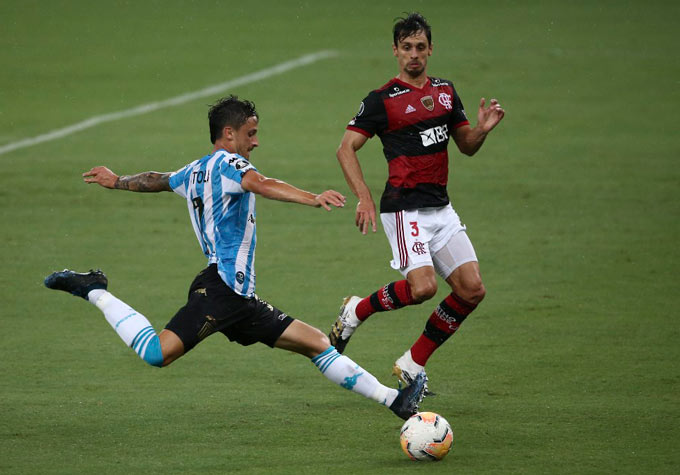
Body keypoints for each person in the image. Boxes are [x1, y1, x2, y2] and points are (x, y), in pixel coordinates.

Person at [44, 95, 426, 420]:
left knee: (315, 343)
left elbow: (156, 179)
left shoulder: (192, 171)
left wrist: (120, 181)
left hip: (240, 300)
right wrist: (312, 197)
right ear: (229, 134)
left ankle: (395, 401)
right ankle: (95, 289)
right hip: (220, 293)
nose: (255, 142)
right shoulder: (229, 165)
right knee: (158, 353)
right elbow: (261, 183)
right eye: (251, 133)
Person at [328, 13, 505, 390]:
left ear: (430, 50)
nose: (414, 55)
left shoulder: (445, 92)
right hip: (403, 208)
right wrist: (364, 198)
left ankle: (412, 363)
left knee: (472, 289)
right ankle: (356, 310)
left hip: (441, 209)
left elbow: (466, 146)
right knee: (423, 288)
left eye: (420, 47)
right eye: (406, 48)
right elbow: (346, 149)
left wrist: (482, 130)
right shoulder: (381, 101)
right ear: (395, 51)